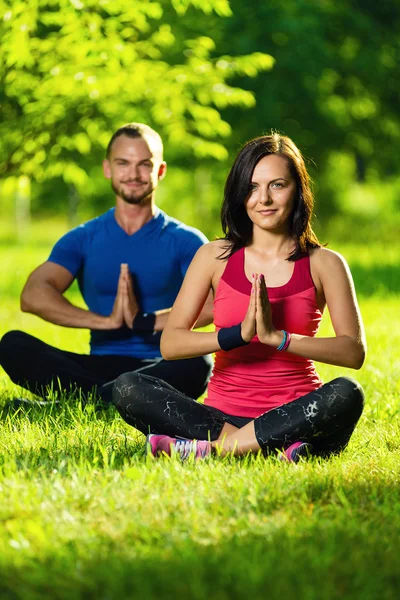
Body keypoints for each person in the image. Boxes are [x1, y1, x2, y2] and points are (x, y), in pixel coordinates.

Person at [112, 132, 366, 462]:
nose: (264, 199)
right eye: (252, 187)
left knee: (347, 392)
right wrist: (238, 336)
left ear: (298, 190)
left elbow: (353, 352)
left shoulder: (325, 263)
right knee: (128, 386)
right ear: (239, 193)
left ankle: (214, 452)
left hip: (297, 415)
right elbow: (171, 344)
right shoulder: (213, 256)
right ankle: (270, 449)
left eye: (277, 185)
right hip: (220, 419)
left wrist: (279, 338)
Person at [0, 123, 213, 406]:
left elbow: (214, 304)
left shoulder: (186, 240)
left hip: (161, 364)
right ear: (108, 169)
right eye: (123, 163)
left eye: (144, 164)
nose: (133, 174)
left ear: (160, 170)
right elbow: (33, 295)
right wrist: (105, 322)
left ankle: (86, 400)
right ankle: (115, 397)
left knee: (199, 362)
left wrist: (145, 322)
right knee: (13, 344)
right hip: (96, 365)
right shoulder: (83, 238)